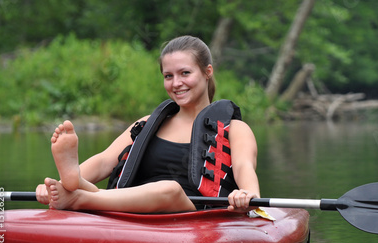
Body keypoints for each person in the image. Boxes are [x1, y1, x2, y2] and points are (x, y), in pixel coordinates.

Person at [35, 35, 260, 213]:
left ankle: (82, 198)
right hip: (130, 208)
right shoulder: (147, 124)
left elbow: (243, 167)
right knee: (78, 182)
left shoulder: (235, 129)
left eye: (185, 73)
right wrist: (57, 185)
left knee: (170, 188)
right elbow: (105, 161)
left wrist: (248, 194)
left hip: (193, 210)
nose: (176, 83)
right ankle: (75, 185)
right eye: (168, 76)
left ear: (207, 72)